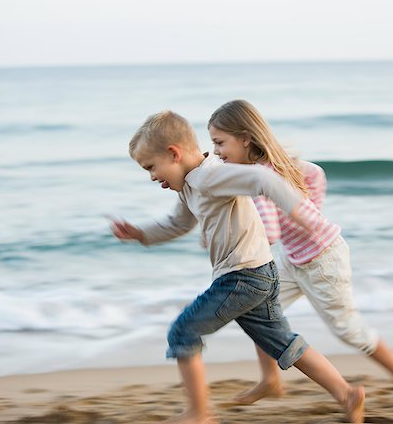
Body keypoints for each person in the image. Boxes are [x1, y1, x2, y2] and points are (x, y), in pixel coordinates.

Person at [110, 110, 365, 424]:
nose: (151, 176)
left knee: (183, 331)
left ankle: (199, 412)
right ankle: (346, 394)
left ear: (174, 154)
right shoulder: (190, 184)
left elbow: (261, 177)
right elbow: (179, 223)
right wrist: (141, 233)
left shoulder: (211, 175)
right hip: (259, 272)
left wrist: (299, 210)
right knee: (282, 342)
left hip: (242, 276)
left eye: (151, 167)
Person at [207, 99, 393, 409]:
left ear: (245, 138)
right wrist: (308, 212)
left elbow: (270, 233)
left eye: (220, 142)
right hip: (295, 258)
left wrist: (239, 232)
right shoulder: (274, 166)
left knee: (348, 330)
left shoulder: (259, 179)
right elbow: (315, 172)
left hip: (323, 261)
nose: (216, 151)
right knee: (256, 309)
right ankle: (270, 380)